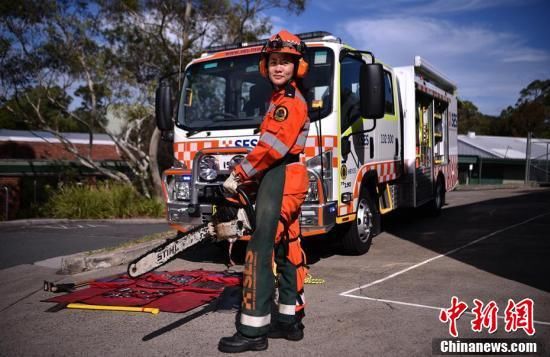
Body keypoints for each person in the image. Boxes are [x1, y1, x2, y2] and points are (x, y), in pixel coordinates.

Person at [218, 29, 311, 353]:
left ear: (297, 67)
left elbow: (273, 148)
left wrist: (238, 175)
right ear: (265, 66)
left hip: (282, 176)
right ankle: (290, 319)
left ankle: (252, 330)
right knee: (289, 248)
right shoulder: (280, 100)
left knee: (259, 250)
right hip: (285, 177)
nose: (278, 67)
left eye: (285, 62)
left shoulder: (288, 104)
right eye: (273, 61)